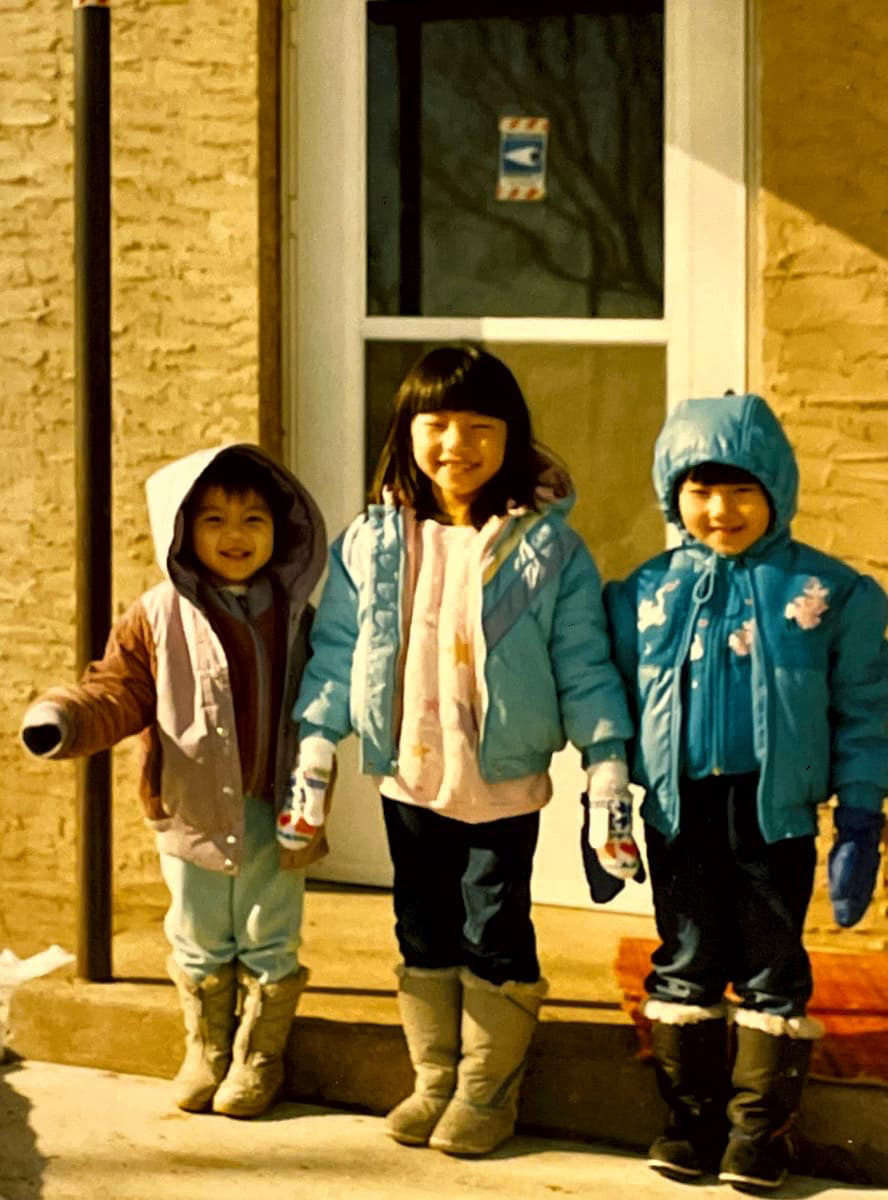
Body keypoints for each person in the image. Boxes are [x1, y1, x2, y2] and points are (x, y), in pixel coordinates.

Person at [289, 344, 635, 1157]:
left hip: (501, 784)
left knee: (495, 929)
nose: (457, 444)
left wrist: (607, 762)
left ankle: (487, 1090)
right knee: (421, 926)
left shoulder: (550, 549)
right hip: (409, 779)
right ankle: (434, 1078)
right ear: (406, 432)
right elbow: (339, 650)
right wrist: (316, 742)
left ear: (512, 436)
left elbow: (584, 662)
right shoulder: (371, 543)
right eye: (437, 424)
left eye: (481, 426)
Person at [605, 393, 888, 1191]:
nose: (721, 510)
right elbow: (610, 704)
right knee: (686, 957)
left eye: (741, 490)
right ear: (674, 495)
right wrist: (608, 804)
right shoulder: (645, 594)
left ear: (776, 492)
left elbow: (865, 707)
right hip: (678, 810)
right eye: (700, 490)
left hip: (775, 814)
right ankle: (690, 1122)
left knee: (771, 964)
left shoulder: (831, 594)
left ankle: (759, 1132)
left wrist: (861, 812)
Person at [20, 444, 327, 1119]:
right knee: (197, 929)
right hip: (191, 806)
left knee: (269, 930)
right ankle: (207, 1048)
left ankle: (259, 1055)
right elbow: (117, 689)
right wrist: (65, 717)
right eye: (214, 519)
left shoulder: (297, 612)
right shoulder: (156, 614)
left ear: (281, 530)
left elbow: (333, 692)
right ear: (181, 530)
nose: (235, 535)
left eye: (253, 520)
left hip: (277, 806)